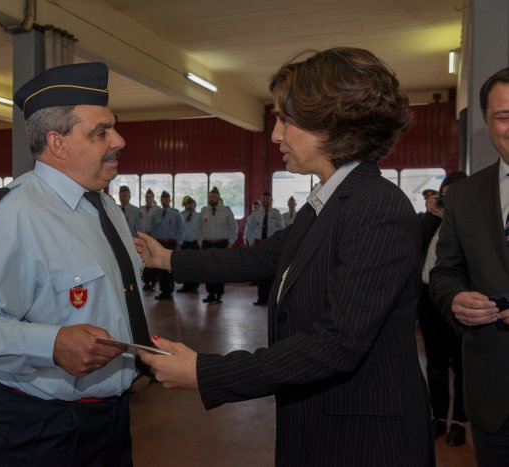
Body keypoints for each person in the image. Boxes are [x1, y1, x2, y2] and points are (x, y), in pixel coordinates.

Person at [134, 47, 432, 467]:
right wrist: (167, 260)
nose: (275, 135)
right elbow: (257, 259)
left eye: (285, 120)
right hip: (321, 414)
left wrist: (204, 371)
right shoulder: (328, 202)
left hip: (364, 436)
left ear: (331, 124)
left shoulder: (376, 205)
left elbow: (337, 344)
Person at [0, 62, 152, 467]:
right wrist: (51, 344)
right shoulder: (13, 216)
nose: (119, 140)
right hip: (39, 428)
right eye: (101, 132)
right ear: (58, 143)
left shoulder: (104, 206)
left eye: (114, 128)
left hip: (110, 418)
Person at [429, 66, 509, 467]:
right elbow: (444, 272)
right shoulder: (463, 196)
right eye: (504, 116)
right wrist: (455, 298)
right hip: (492, 397)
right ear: (486, 121)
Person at [418, 171, 468, 447]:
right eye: (444, 196)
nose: (447, 202)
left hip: (459, 299)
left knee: (461, 365)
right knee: (435, 362)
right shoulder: (432, 221)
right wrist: (431, 216)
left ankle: (459, 421)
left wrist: (455, 219)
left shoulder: (472, 224)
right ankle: (437, 416)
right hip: (428, 299)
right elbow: (416, 247)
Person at [244, 190, 285, 305]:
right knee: (260, 273)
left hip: (272, 246)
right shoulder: (255, 215)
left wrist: (278, 245)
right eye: (264, 199)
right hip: (259, 246)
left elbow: (281, 230)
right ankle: (261, 298)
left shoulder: (277, 214)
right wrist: (252, 245)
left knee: (272, 274)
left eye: (268, 199)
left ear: (271, 201)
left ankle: (271, 300)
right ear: (261, 200)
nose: (265, 201)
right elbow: (250, 231)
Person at [199, 186, 237, 304]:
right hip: (207, 243)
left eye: (214, 196)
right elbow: (199, 228)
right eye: (210, 196)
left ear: (218, 197)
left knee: (220, 269)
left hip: (221, 243)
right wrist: (200, 242)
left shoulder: (226, 210)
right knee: (208, 269)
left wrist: (231, 242)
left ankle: (219, 294)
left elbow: (233, 227)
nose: (212, 198)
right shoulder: (204, 210)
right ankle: (210, 293)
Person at [149, 191, 185, 300]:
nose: (164, 201)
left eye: (166, 199)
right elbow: (152, 229)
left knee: (169, 268)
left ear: (170, 200)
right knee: (160, 268)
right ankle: (163, 291)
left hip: (171, 243)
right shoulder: (156, 213)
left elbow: (181, 229)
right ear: (160, 200)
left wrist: (179, 243)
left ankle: (169, 291)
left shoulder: (175, 213)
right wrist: (153, 242)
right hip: (160, 243)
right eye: (162, 199)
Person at [177, 196, 200, 293]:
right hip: (184, 243)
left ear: (195, 206)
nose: (190, 206)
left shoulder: (199, 216)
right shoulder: (180, 215)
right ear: (185, 205)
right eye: (188, 204)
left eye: (192, 204)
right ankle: (185, 286)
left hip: (194, 243)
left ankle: (194, 286)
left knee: (195, 266)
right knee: (185, 266)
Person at [139, 188, 160, 291]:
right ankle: (146, 282)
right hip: (143, 237)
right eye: (146, 197)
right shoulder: (141, 209)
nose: (148, 199)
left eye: (150, 197)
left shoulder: (157, 209)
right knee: (145, 260)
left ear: (153, 198)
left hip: (153, 237)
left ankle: (154, 282)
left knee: (154, 259)